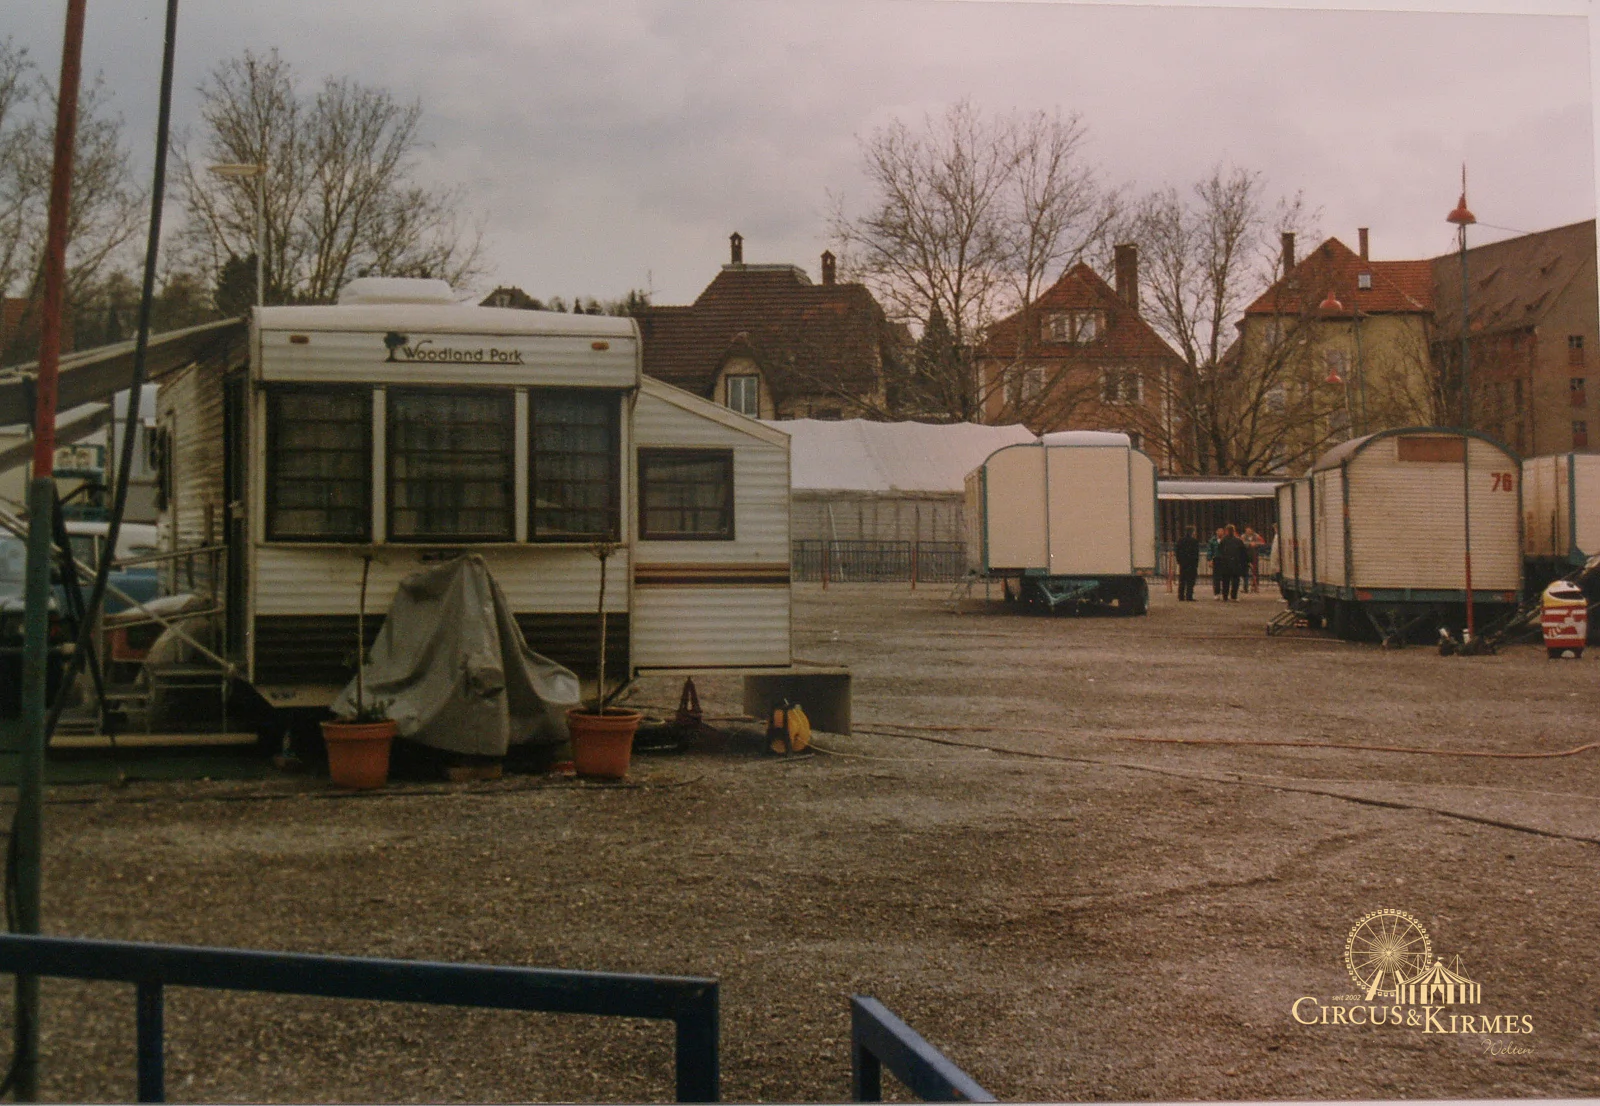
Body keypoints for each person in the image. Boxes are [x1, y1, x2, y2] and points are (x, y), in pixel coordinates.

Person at [1217, 524, 1248, 601]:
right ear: (1234, 531)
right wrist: (1244, 563)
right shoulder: (1238, 541)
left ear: (1226, 531)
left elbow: (1219, 551)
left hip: (1225, 563)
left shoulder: (1223, 541)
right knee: (1235, 581)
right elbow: (1243, 553)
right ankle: (1233, 596)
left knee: (1225, 581)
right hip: (1236, 563)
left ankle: (1225, 596)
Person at [1175, 526, 1201, 601]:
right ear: (1192, 532)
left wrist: (1179, 561)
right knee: (1190, 580)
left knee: (1182, 580)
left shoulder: (1180, 540)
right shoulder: (1194, 541)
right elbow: (1196, 553)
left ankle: (1181, 596)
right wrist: (1196, 563)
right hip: (1192, 563)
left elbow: (1177, 551)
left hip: (1183, 563)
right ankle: (1189, 596)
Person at [1240, 526, 1264, 592]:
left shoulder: (1256, 536)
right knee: (1245, 572)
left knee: (1255, 571)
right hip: (1245, 556)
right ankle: (1245, 587)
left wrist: (1255, 544)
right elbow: (1241, 544)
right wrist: (1249, 544)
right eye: (1247, 530)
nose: (1248, 531)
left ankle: (1255, 586)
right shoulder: (1243, 536)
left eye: (1249, 530)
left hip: (1254, 556)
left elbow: (1262, 543)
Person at [1208, 527, 1224, 599]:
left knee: (1224, 577)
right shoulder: (1212, 541)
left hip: (1224, 559)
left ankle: (1224, 592)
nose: (1220, 533)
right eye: (1219, 531)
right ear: (1216, 532)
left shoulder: (1225, 540)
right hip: (1216, 559)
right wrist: (1209, 560)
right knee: (1216, 577)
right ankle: (1216, 593)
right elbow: (1210, 550)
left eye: (1222, 531)